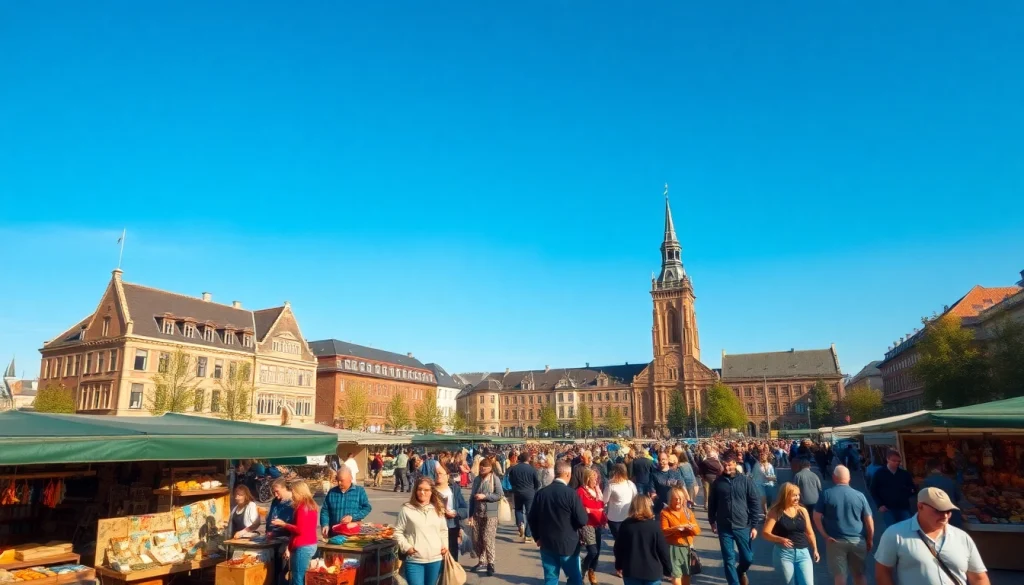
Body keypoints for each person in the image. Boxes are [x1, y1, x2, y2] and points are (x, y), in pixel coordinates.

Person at [874, 487, 989, 585]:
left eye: (948, 511)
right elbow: (883, 571)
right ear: (920, 507)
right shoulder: (895, 534)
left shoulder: (962, 537)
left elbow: (979, 578)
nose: (945, 516)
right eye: (938, 510)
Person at [529, 460, 588, 585]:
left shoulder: (541, 493)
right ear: (567, 474)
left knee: (551, 578)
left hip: (547, 542)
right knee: (574, 577)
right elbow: (582, 519)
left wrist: (537, 537)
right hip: (568, 543)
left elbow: (532, 517)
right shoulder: (571, 494)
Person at [813, 465, 874, 585]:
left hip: (835, 541)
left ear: (834, 477)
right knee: (859, 574)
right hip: (857, 540)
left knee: (840, 575)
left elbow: (816, 516)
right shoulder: (859, 495)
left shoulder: (827, 494)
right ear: (849, 478)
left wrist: (825, 535)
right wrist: (870, 539)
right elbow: (869, 520)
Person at [708, 450, 761, 585]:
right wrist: (712, 521)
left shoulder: (745, 481)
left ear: (735, 463)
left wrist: (754, 525)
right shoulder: (718, 483)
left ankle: (741, 571)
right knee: (728, 559)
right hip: (724, 526)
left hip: (742, 525)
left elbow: (754, 502)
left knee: (748, 558)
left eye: (730, 464)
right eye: (724, 465)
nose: (727, 468)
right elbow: (712, 503)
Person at [762, 482, 819, 585]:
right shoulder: (776, 512)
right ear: (785, 496)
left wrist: (815, 549)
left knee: (808, 583)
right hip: (784, 554)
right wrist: (780, 539)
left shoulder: (802, 511)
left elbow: (810, 532)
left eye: (798, 495)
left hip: (803, 553)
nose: (797, 498)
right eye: (794, 495)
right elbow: (765, 533)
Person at [394, 478, 449, 585]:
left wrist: (444, 546)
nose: (422, 492)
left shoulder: (438, 509)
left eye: (426, 490)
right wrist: (407, 548)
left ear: (432, 491)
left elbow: (443, 530)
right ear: (415, 490)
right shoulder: (406, 509)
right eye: (419, 489)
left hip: (435, 558)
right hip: (415, 560)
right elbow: (398, 532)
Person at [614, 494, 672, 585]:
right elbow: (663, 550)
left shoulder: (626, 525)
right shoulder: (655, 526)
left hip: (631, 570)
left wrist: (619, 565)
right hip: (652, 571)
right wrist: (668, 569)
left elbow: (618, 548)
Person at [271, 482, 318, 585]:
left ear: (299, 493)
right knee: (301, 577)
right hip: (310, 543)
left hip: (303, 545)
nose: (292, 495)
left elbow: (300, 530)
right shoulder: (311, 505)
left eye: (293, 492)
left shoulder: (302, 507)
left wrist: (284, 524)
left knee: (297, 578)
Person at [469, 457, 503, 576]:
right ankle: (481, 561)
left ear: (490, 468)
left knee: (487, 538)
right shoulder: (477, 479)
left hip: (491, 514)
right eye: (481, 466)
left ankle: (491, 563)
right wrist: (470, 515)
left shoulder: (494, 479)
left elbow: (499, 495)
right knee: (477, 538)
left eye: (485, 466)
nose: (482, 468)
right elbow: (472, 498)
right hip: (477, 513)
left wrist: (485, 496)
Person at [660, 487, 700, 585]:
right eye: (675, 499)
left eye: (680, 499)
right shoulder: (665, 512)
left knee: (686, 575)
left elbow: (697, 531)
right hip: (673, 548)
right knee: (676, 575)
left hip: (687, 548)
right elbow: (664, 531)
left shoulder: (688, 512)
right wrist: (676, 528)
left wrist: (691, 528)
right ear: (670, 499)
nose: (678, 501)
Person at [320, 467, 372, 538]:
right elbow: (325, 511)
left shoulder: (359, 491)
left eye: (342, 480)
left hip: (353, 535)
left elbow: (367, 508)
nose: (339, 483)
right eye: (338, 480)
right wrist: (325, 524)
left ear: (350, 479)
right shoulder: (332, 492)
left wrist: (352, 517)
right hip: (334, 534)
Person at [870, 450, 916, 528]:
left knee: (907, 528)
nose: (896, 463)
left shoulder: (904, 474)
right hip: (888, 508)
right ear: (888, 459)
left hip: (903, 507)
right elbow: (873, 490)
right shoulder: (879, 473)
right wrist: (879, 505)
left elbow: (912, 487)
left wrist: (908, 491)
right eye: (894, 460)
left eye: (898, 461)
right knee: (892, 530)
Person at [577, 469, 606, 585]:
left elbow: (602, 507)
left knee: (597, 551)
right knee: (592, 551)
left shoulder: (598, 492)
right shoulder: (581, 491)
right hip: (587, 524)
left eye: (596, 478)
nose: (596, 481)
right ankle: (583, 569)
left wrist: (603, 518)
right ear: (587, 479)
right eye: (593, 479)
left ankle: (591, 571)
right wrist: (590, 511)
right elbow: (579, 509)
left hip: (597, 523)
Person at [507, 452, 542, 543]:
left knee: (518, 509)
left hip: (517, 491)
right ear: (528, 459)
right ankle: (528, 535)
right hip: (529, 492)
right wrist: (534, 489)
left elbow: (510, 480)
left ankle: (520, 523)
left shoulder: (514, 469)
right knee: (530, 513)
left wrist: (515, 487)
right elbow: (537, 482)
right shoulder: (532, 469)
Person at [433, 467, 466, 562]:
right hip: (435, 527)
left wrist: (456, 513)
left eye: (441, 473)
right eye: (436, 473)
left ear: (447, 476)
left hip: (452, 525)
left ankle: (451, 573)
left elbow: (464, 508)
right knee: (437, 553)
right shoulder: (431, 490)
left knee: (452, 553)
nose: (438, 476)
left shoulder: (454, 490)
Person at [919, 459, 963, 528]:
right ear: (940, 467)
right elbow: (958, 497)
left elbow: (922, 501)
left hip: (935, 517)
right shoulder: (950, 480)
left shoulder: (925, 482)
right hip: (952, 515)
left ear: (927, 468)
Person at [604, 463, 638, 540]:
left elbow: (604, 500)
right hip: (618, 518)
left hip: (622, 518)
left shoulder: (629, 484)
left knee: (620, 540)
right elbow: (636, 499)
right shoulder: (629, 484)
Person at [751, 451, 778, 515]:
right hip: (759, 484)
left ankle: (769, 510)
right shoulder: (757, 465)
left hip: (769, 484)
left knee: (770, 498)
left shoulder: (770, 466)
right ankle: (765, 512)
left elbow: (773, 476)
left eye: (763, 455)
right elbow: (753, 475)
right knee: (763, 497)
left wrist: (771, 478)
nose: (762, 456)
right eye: (761, 455)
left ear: (767, 456)